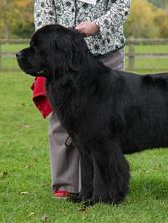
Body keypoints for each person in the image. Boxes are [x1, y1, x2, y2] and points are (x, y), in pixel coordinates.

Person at [33, 0, 130, 198]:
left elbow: (122, 6)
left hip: (106, 52)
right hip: (63, 57)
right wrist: (49, 41)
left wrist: (98, 25)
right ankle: (66, 185)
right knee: (63, 120)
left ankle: (106, 185)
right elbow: (43, 12)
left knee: (106, 125)